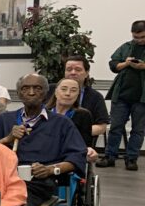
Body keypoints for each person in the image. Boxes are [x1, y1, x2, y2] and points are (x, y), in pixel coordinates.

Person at [0, 74, 87, 206]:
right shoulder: (3, 120)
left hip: (38, 182)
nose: (31, 92)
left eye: (37, 88)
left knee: (14, 199)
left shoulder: (61, 123)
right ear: (19, 93)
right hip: (3, 178)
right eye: (25, 88)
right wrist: (8, 139)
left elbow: (77, 156)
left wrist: (51, 170)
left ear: (45, 93)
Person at [97, 20, 145, 170]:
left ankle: (131, 159)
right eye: (136, 37)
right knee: (115, 127)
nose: (139, 40)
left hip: (142, 98)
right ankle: (109, 156)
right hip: (121, 95)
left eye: (142, 37)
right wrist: (126, 63)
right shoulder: (126, 47)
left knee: (138, 130)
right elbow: (113, 64)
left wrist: (143, 66)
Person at [61, 55, 109, 142]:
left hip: (79, 141)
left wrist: (76, 132)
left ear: (86, 73)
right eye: (69, 69)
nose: (73, 72)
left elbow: (102, 127)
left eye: (78, 69)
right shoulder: (51, 91)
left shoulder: (95, 97)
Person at [47, 78, 96, 162]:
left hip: (69, 159)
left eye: (73, 91)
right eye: (64, 89)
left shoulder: (84, 115)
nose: (68, 93)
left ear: (78, 95)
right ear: (56, 92)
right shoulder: (43, 112)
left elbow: (85, 146)